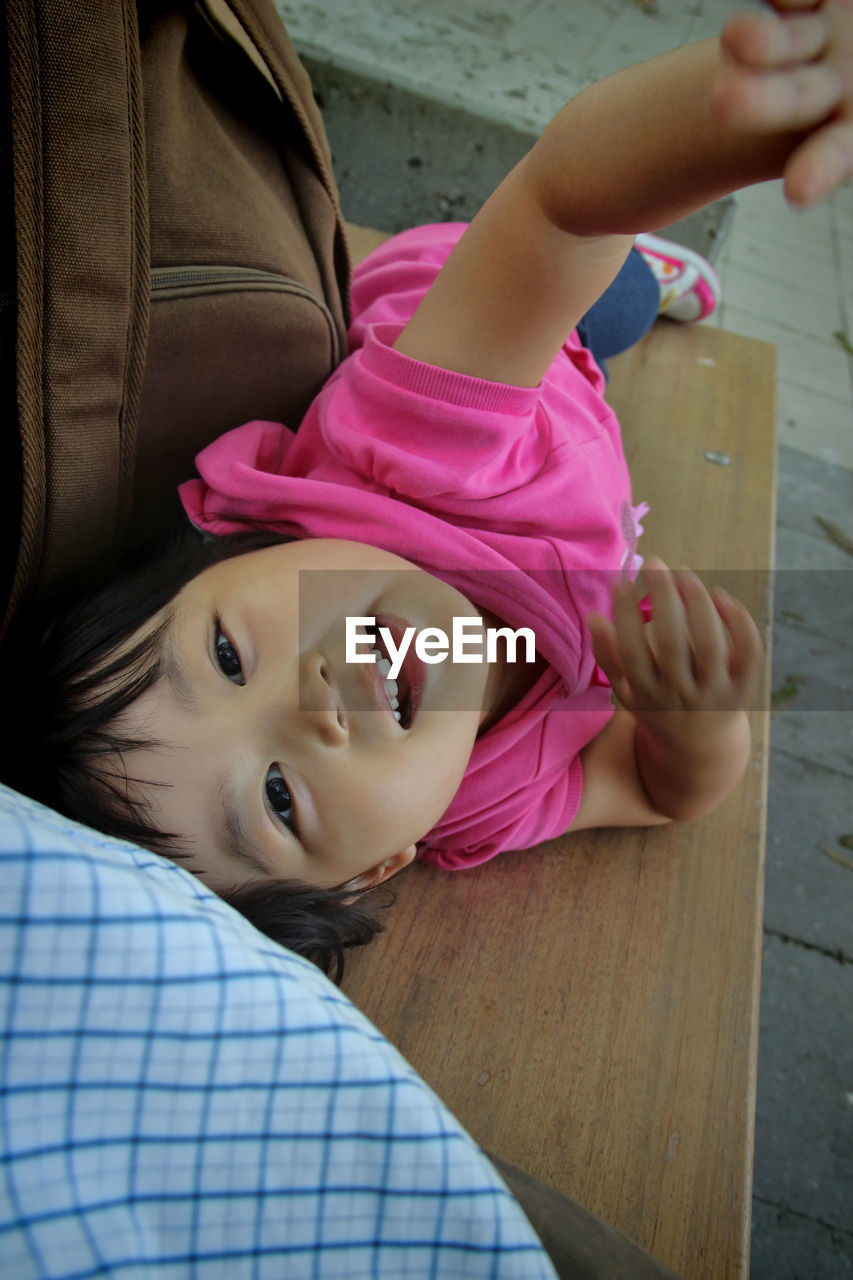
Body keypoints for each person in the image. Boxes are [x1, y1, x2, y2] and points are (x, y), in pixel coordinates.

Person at [14, 0, 853, 975]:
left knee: (605, 298)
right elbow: (656, 792)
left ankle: (638, 280)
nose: (312, 700)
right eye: (279, 798)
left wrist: (753, 111)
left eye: (229, 653)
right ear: (374, 868)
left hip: (478, 313)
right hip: (580, 487)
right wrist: (698, 726)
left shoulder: (413, 448)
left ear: (222, 554)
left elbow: (562, 204)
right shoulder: (480, 803)